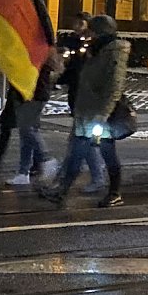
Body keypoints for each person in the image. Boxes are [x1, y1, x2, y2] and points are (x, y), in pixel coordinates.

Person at [40, 15, 130, 208]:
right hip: (86, 110)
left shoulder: (114, 52)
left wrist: (103, 114)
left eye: (92, 31)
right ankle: (62, 190)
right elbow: (80, 76)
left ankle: (114, 192)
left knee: (107, 152)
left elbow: (114, 87)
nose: (88, 35)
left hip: (101, 114)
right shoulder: (94, 50)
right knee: (77, 151)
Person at [55, 12, 105, 193]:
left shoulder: (98, 48)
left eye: (82, 24)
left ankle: (92, 177)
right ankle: (63, 177)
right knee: (78, 138)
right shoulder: (76, 43)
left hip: (91, 100)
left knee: (85, 139)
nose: (78, 27)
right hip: (79, 96)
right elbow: (72, 70)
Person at [5, 49, 61, 187]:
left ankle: (46, 158)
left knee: (27, 129)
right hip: (29, 93)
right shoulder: (39, 49)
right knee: (26, 134)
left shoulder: (36, 50)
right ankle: (23, 172)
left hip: (32, 94)